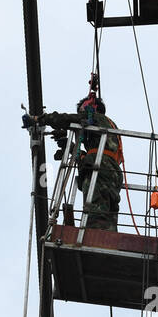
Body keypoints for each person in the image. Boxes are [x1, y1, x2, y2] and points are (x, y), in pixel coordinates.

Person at [46, 85, 124, 232]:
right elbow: (90, 156)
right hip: (112, 174)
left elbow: (66, 119)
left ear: (90, 107)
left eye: (82, 110)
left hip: (99, 172)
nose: (80, 114)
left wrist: (42, 119)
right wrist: (69, 147)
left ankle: (95, 237)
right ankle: (107, 239)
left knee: (95, 212)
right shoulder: (108, 127)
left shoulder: (95, 117)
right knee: (109, 214)